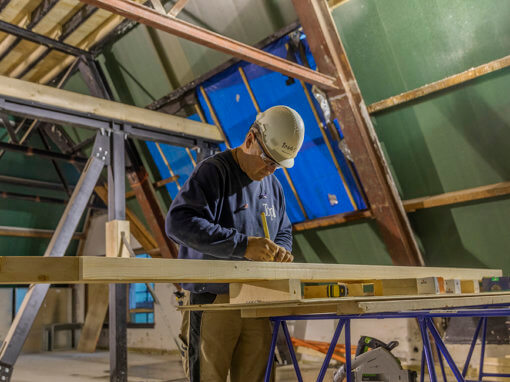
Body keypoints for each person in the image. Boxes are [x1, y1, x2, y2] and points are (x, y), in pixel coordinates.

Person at [166, 105, 305, 382]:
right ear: (250, 138)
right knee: (208, 375)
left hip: (259, 299)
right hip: (214, 298)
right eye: (267, 159)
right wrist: (242, 246)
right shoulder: (214, 172)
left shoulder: (273, 186)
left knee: (257, 376)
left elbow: (284, 230)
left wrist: (282, 251)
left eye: (278, 164)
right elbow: (178, 223)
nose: (270, 169)